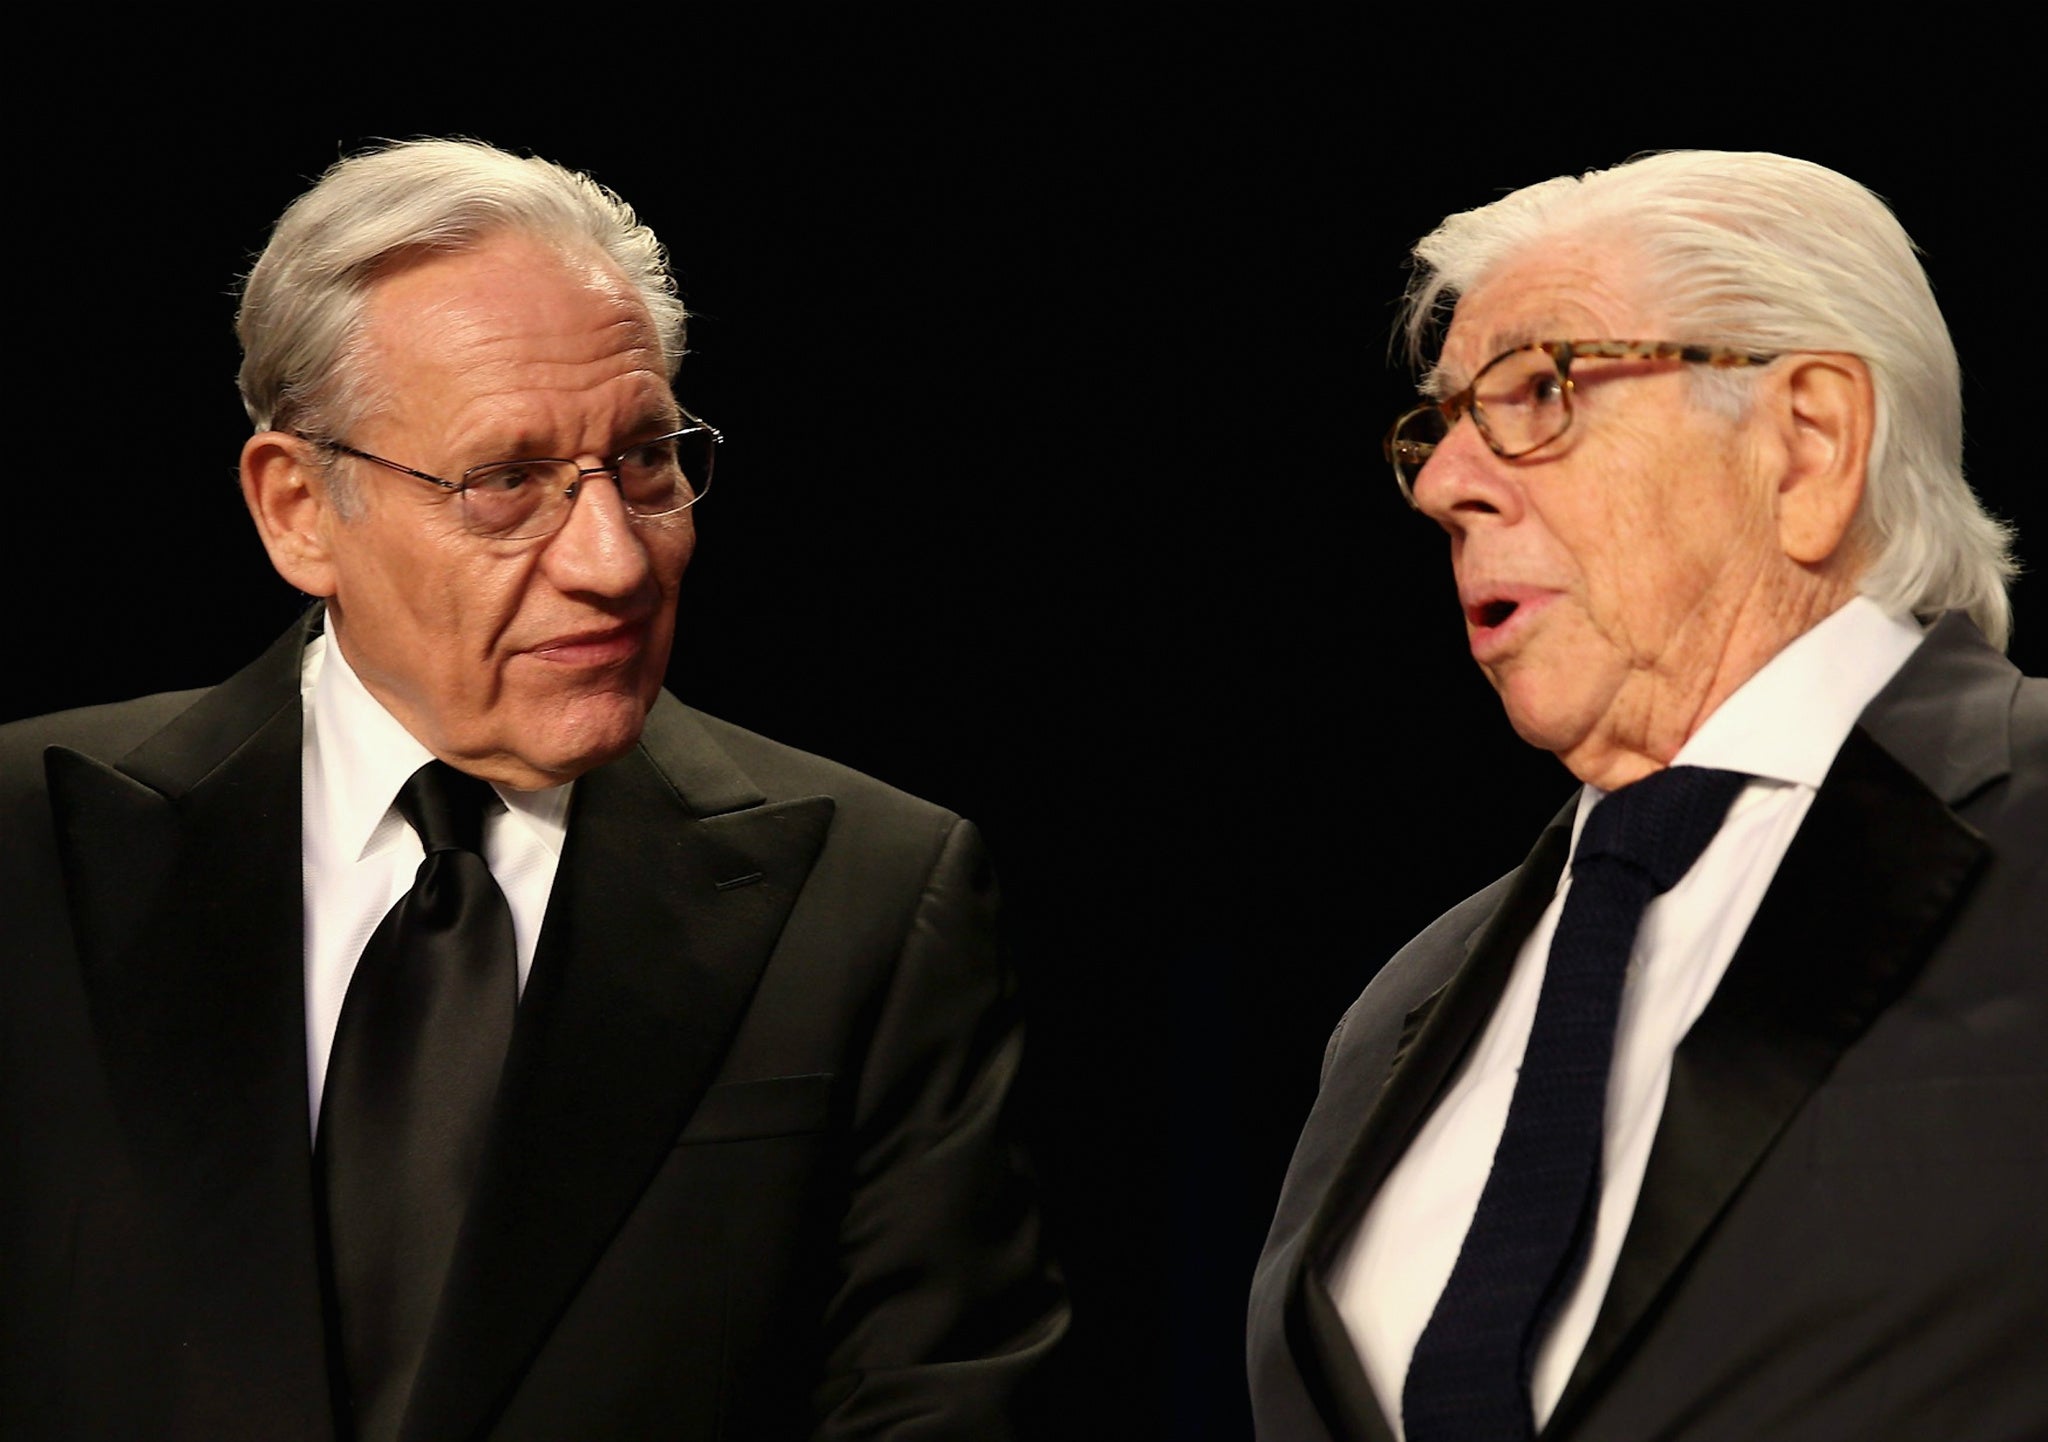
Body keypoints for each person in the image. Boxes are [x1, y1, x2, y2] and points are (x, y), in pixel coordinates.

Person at [0, 139, 1065, 1441]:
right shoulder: (24, 841)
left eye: (648, 460)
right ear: (298, 511)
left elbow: (944, 1403)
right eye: (506, 484)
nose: (615, 561)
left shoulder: (876, 899)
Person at [1248, 151, 2045, 1442]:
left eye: (1536, 391)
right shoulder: (1403, 1007)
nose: (1449, 482)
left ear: (1808, 443)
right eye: (1440, 422)